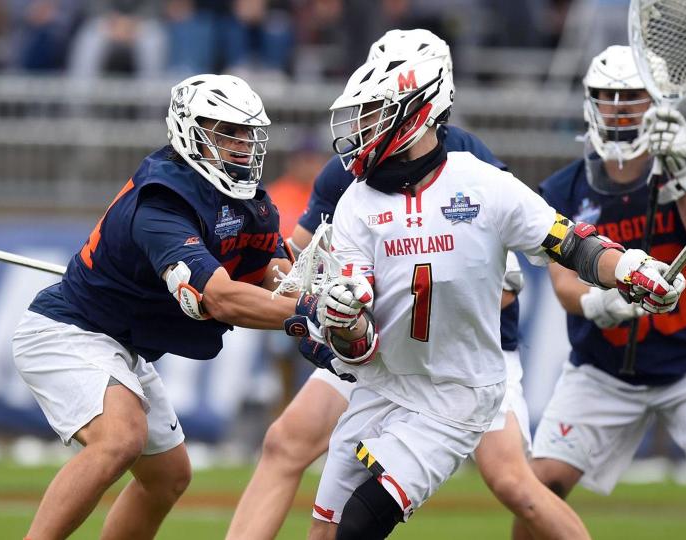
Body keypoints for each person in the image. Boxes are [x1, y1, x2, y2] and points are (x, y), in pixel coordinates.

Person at [288, 36, 685, 540]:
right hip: (382, 384)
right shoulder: (355, 205)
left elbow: (573, 244)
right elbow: (360, 347)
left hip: (456, 392)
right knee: (323, 532)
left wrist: (628, 268)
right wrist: (344, 323)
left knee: (358, 526)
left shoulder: (482, 184)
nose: (360, 129)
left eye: (374, 114)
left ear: (417, 114)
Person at [227, 29, 589, 540]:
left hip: (463, 349)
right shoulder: (353, 172)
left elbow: (507, 281)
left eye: (379, 106)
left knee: (511, 481)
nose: (365, 123)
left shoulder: (472, 167)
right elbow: (297, 259)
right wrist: (320, 304)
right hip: (380, 345)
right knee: (287, 441)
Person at [11, 73, 301, 540]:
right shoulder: (162, 201)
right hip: (69, 331)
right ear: (191, 131)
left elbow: (271, 270)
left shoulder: (247, 200)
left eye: (247, 133)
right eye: (227, 132)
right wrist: (309, 313)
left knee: (168, 478)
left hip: (123, 344)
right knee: (120, 440)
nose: (242, 145)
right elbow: (222, 298)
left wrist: (318, 293)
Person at [513, 46, 686, 540]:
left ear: (653, 101)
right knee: (537, 488)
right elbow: (564, 282)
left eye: (630, 96)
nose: (618, 107)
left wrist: (684, 172)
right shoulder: (564, 188)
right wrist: (598, 303)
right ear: (590, 102)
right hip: (603, 370)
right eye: (606, 96)